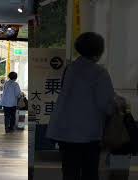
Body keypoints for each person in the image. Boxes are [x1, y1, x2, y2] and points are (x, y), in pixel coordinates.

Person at [46, 32, 115, 180]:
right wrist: (116, 104)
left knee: (70, 173)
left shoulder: (70, 69)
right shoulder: (99, 72)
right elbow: (105, 104)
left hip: (65, 132)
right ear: (99, 51)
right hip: (88, 135)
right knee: (90, 173)